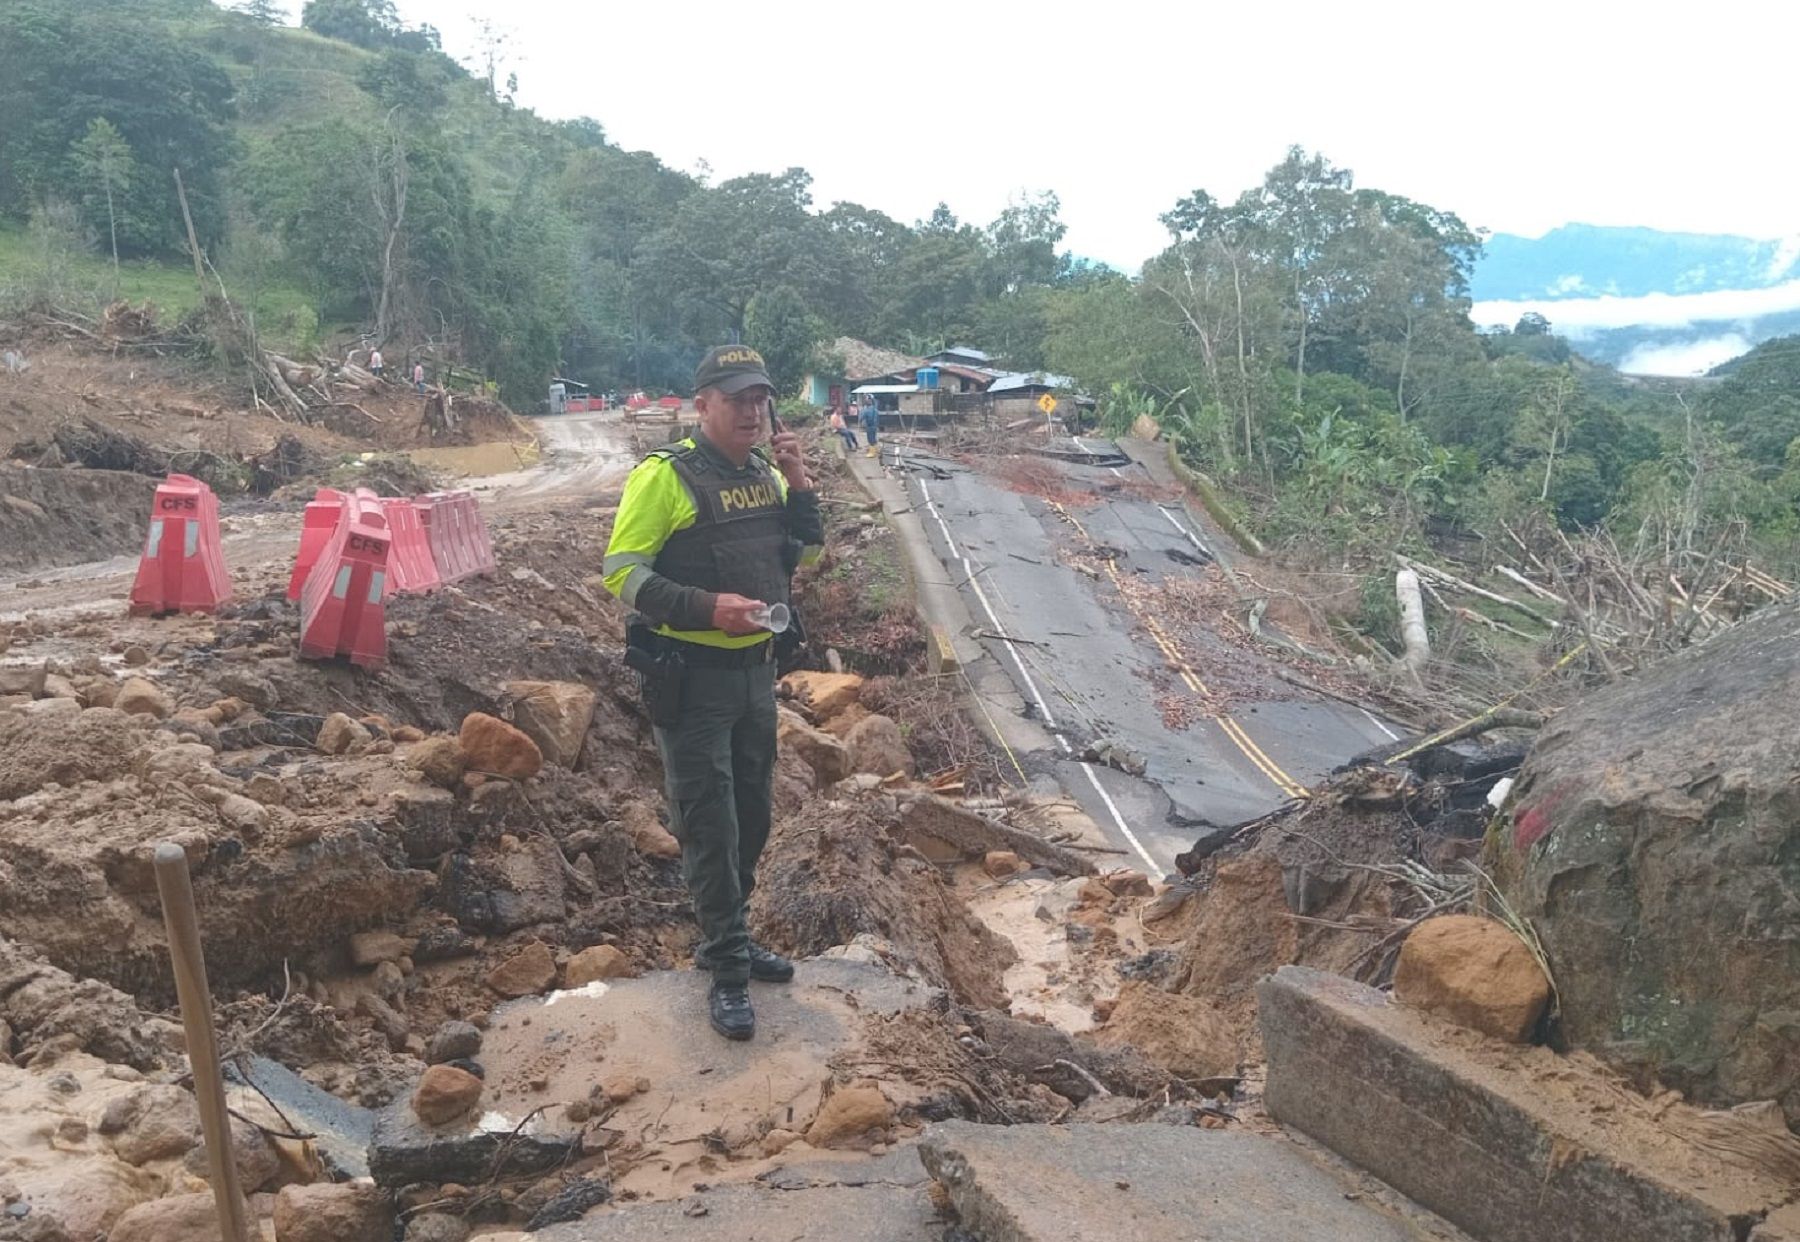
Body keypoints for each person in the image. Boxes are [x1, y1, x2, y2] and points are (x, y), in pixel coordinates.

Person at [602, 345, 823, 1042]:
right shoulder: (664, 477)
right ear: (702, 406)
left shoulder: (763, 475)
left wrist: (797, 475)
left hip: (757, 676)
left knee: (753, 815)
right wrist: (703, 607)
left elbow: (803, 552)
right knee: (709, 824)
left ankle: (728, 935)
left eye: (760, 399)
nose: (752, 411)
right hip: (692, 680)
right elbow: (622, 574)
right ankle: (726, 969)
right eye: (736, 400)